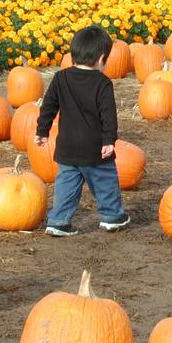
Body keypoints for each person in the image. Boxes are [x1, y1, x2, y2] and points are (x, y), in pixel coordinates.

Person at [35, 25, 130, 237]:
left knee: (66, 185)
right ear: (102, 58)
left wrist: (42, 131)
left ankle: (58, 221)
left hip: (67, 147)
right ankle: (112, 216)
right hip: (94, 148)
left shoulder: (60, 78)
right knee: (105, 181)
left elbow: (48, 107)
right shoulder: (103, 83)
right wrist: (109, 140)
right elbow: (108, 115)